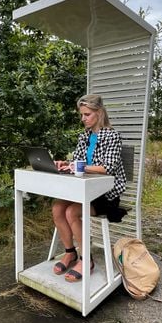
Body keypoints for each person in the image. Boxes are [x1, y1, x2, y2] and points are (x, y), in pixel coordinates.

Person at [51, 94, 127, 282]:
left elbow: (107, 167)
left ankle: (87, 260)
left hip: (106, 194)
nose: (83, 119)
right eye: (82, 115)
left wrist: (80, 167)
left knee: (71, 213)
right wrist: (66, 164)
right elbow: (77, 161)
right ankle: (70, 253)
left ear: (99, 113)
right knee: (57, 208)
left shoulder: (112, 136)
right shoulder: (84, 136)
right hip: (84, 190)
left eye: (87, 114)